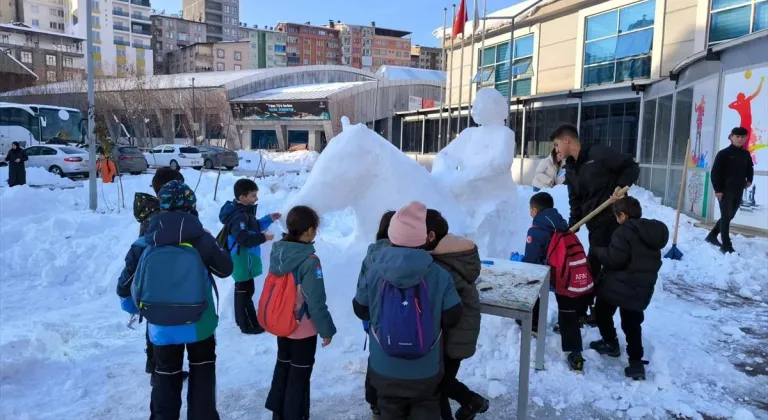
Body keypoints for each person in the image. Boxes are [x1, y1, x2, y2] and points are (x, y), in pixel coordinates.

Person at [117, 181, 233, 419]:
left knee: (165, 374)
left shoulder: (145, 241)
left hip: (161, 324)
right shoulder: (200, 239)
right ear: (191, 206)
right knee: (202, 371)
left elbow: (124, 287)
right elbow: (225, 270)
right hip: (200, 322)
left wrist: (133, 308)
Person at [353, 201, 463, 420]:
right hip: (426, 371)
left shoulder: (374, 271)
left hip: (384, 369)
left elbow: (361, 309)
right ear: (423, 238)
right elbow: (452, 317)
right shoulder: (439, 274)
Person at [551, 124, 639, 323]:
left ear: (567, 140)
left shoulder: (599, 154)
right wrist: (571, 227)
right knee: (597, 270)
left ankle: (585, 313)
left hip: (615, 221)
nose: (556, 150)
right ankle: (595, 313)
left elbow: (630, 165)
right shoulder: (571, 170)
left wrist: (621, 186)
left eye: (557, 145)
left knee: (596, 269)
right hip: (595, 224)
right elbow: (575, 201)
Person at [265, 205, 336, 419]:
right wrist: (327, 329)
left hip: (282, 324)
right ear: (310, 231)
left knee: (283, 367)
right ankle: (295, 415)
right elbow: (315, 301)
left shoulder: (279, 253)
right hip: (302, 328)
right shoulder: (310, 261)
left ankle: (278, 412)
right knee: (300, 374)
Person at [589, 197, 669, 380]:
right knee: (632, 325)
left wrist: (598, 251)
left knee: (602, 312)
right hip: (641, 287)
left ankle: (610, 343)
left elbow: (614, 259)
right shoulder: (651, 231)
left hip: (619, 285)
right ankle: (636, 363)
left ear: (623, 215)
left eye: (617, 216)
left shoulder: (623, 231)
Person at [425, 210, 488, 420]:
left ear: (431, 236)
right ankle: (472, 402)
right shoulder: (454, 254)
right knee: (440, 383)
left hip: (453, 335)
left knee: (438, 383)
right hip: (457, 332)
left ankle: (472, 401)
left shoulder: (440, 265)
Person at [131, 168, 186, 383]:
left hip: (152, 276)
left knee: (154, 320)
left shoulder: (153, 212)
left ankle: (152, 363)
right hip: (162, 275)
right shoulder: (159, 217)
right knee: (163, 323)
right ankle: (159, 371)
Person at [522, 192, 586, 372]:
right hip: (566, 274)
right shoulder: (562, 225)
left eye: (530, 209)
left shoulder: (536, 231)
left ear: (534, 210)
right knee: (568, 311)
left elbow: (531, 260)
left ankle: (533, 324)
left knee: (529, 287)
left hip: (549, 274)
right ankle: (575, 354)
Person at [218, 179, 281, 334]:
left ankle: (243, 321)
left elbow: (253, 226)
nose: (256, 199)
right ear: (242, 197)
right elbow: (243, 238)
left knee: (243, 290)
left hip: (244, 258)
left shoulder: (243, 212)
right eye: (253, 196)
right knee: (245, 292)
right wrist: (263, 238)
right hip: (241, 259)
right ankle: (248, 325)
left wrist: (269, 218)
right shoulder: (239, 215)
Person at [359, 210, 396, 419]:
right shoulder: (409, 254)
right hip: (402, 322)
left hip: (374, 322)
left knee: (376, 360)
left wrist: (366, 318)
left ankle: (375, 403)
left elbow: (361, 293)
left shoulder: (371, 254)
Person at [705, 127, 754, 254]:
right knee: (726, 217)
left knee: (729, 216)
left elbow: (750, 168)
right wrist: (718, 190)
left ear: (745, 138)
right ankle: (726, 246)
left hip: (738, 190)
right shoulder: (723, 154)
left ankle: (712, 235)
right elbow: (715, 173)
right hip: (725, 191)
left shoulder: (745, 154)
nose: (740, 139)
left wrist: (749, 180)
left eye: (742, 137)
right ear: (731, 137)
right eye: (737, 136)